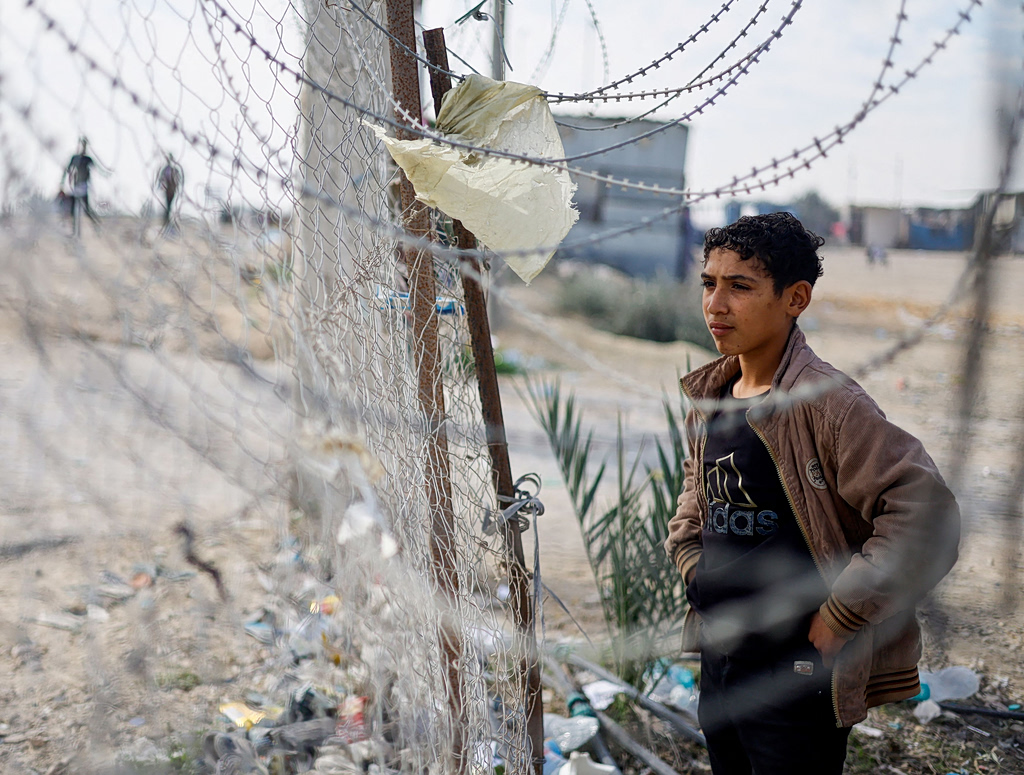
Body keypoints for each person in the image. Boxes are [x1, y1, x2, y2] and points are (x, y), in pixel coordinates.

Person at [664, 212, 960, 775]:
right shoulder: (712, 396)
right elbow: (695, 493)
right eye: (709, 283)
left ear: (795, 298)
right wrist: (691, 562)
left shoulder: (828, 404)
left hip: (796, 672)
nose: (716, 305)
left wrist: (842, 616)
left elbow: (926, 515)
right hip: (722, 660)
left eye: (740, 286)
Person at [64, 136, 105, 233]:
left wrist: (106, 173)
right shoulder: (75, 158)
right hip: (75, 185)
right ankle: (73, 230)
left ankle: (96, 224)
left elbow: (97, 168)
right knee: (72, 209)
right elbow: (68, 169)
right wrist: (64, 181)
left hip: (83, 185)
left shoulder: (87, 159)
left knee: (86, 209)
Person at [156, 153, 183, 231]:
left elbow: (179, 179)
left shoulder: (174, 170)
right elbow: (161, 179)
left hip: (172, 190)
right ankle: (166, 221)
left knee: (169, 206)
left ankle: (167, 221)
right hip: (167, 190)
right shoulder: (165, 169)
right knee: (167, 206)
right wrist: (161, 186)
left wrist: (176, 185)